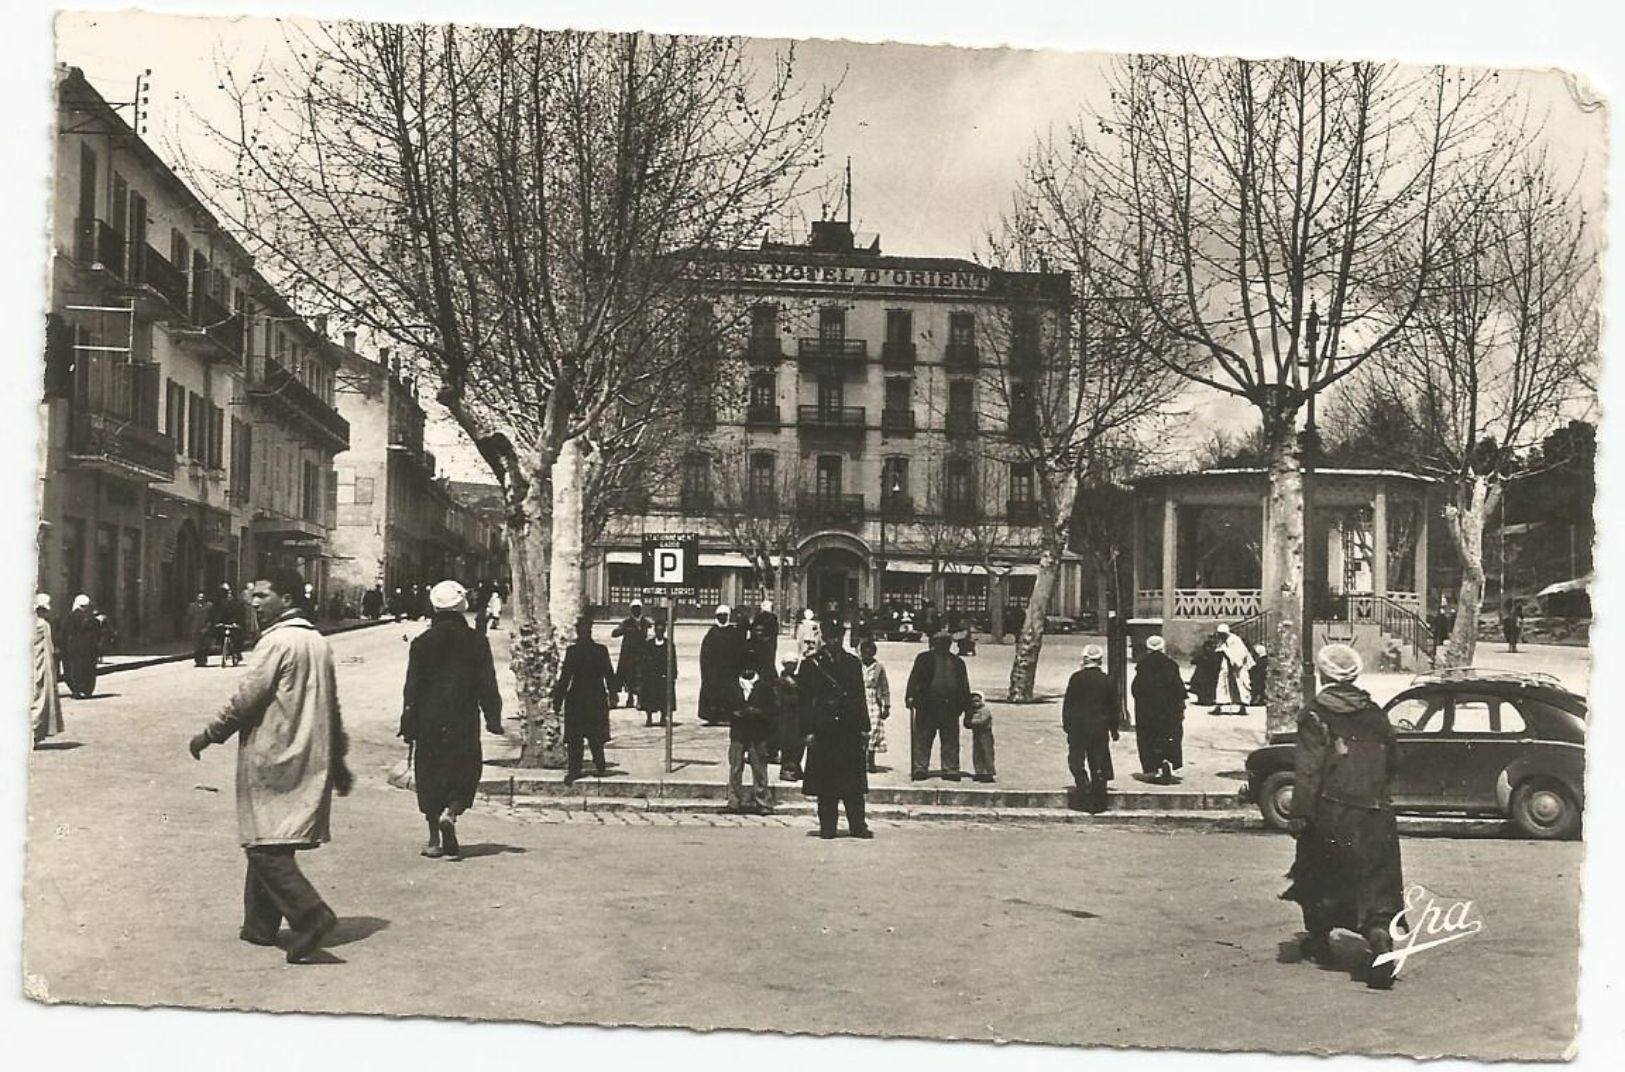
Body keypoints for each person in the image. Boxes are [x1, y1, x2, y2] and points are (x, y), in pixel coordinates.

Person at [188, 568, 353, 964]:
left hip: (274, 752)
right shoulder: (317, 641)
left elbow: (247, 699)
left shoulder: (276, 641)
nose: (254, 602)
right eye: (254, 595)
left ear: (289, 600)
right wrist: (339, 758)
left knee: (263, 844)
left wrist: (209, 734)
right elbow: (333, 705)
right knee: (272, 837)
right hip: (308, 753)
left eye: (263, 595)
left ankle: (312, 916)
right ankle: (259, 926)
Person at [1282, 643, 1405, 990]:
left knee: (1315, 876)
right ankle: (1379, 936)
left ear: (1323, 675)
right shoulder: (1375, 713)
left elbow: (1308, 771)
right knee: (1377, 882)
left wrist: (1300, 814)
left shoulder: (1315, 714)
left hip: (1332, 812)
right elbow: (1395, 759)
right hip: (1377, 813)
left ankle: (1320, 942)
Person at [400, 580, 504, 860]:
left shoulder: (422, 643)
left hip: (428, 720)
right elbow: (487, 684)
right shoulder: (476, 642)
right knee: (465, 770)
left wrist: (407, 725)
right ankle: (452, 811)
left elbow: (412, 688)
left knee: (430, 774)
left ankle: (434, 840)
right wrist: (494, 718)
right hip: (463, 718)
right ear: (462, 606)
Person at [798, 621, 873, 839]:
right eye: (830, 637)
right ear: (823, 637)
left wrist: (864, 728)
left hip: (848, 729)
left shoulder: (852, 663)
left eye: (837, 636)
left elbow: (860, 697)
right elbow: (804, 702)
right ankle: (827, 826)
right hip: (823, 730)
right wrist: (807, 731)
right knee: (826, 783)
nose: (834, 641)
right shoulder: (811, 664)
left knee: (853, 784)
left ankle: (858, 825)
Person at [554, 616, 616, 784]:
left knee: (594, 737)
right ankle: (577, 769)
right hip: (585, 698)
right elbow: (566, 677)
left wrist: (614, 693)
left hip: (586, 697)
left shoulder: (597, 651)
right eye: (582, 630)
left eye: (585, 630)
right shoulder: (576, 651)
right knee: (578, 738)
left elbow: (608, 674)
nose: (583, 633)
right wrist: (558, 698)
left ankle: (597, 766)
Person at [904, 632, 971, 781]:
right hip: (927, 706)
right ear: (934, 643)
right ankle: (920, 768)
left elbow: (964, 686)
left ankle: (950, 769)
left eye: (946, 642)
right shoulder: (924, 659)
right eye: (940, 642)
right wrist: (909, 696)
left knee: (950, 739)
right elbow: (914, 678)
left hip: (950, 707)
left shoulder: (958, 662)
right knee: (923, 738)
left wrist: (967, 708)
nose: (943, 645)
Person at [1063, 645, 1120, 813]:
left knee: (1076, 758)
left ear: (1085, 659)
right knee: (1099, 761)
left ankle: (1082, 783)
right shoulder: (1107, 680)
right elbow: (1113, 707)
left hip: (1078, 726)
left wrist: (1067, 725)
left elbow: (1068, 704)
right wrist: (1114, 728)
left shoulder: (1076, 678)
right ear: (1100, 660)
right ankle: (1098, 802)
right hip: (1099, 726)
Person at [1131, 635, 1186, 784]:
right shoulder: (1171, 665)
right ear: (1163, 647)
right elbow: (1178, 688)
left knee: (1149, 737)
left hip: (1148, 711)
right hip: (1169, 709)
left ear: (1148, 649)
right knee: (1170, 735)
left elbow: (1136, 689)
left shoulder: (1142, 666)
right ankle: (1168, 759)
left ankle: (1153, 766)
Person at [723, 664, 777, 814]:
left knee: (759, 768)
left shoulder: (764, 687)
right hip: (738, 732)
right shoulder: (733, 685)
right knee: (735, 768)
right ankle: (734, 801)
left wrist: (758, 712)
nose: (747, 670)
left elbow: (773, 710)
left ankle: (763, 802)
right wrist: (734, 713)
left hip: (758, 733)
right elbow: (724, 707)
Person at [698, 604, 745, 725]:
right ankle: (713, 717)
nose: (722, 618)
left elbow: (739, 650)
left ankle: (729, 716)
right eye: (720, 616)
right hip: (715, 670)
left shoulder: (733, 632)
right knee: (713, 693)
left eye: (725, 616)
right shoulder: (712, 633)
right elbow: (705, 653)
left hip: (730, 670)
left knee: (730, 693)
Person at [31, 594, 64, 747]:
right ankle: (35, 732)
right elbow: (50, 647)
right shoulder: (44, 625)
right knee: (40, 697)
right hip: (41, 664)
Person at [60, 594, 103, 699]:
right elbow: (94, 632)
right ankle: (85, 690)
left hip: (73, 649)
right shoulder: (91, 619)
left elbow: (63, 633)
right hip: (87, 650)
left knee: (74, 669)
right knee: (87, 669)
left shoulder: (69, 617)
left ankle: (77, 690)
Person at [858, 639, 891, 774]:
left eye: (869, 653)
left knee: (873, 730)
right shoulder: (856, 665)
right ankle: (859, 761)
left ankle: (870, 760)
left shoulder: (879, 667)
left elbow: (884, 687)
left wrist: (886, 706)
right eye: (864, 653)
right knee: (860, 730)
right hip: (860, 699)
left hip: (873, 700)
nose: (866, 656)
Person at [611, 601, 651, 708]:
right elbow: (614, 633)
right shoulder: (626, 622)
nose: (636, 610)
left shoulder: (645, 623)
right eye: (634, 608)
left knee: (639, 676)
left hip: (641, 653)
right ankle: (628, 697)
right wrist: (625, 630)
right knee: (627, 675)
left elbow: (649, 635)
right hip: (628, 654)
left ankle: (639, 699)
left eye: (638, 608)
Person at [638, 616, 675, 727]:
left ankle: (663, 717)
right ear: (654, 630)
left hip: (663, 675)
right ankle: (649, 717)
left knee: (664, 696)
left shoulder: (669, 644)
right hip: (651, 676)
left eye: (662, 629)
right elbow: (644, 660)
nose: (659, 632)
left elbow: (673, 660)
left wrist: (672, 674)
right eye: (657, 629)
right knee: (649, 696)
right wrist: (642, 674)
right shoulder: (648, 644)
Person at [776, 660, 805, 781]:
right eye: (789, 665)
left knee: (799, 743)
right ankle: (787, 770)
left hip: (797, 716)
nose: (792, 667)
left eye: (794, 665)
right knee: (788, 743)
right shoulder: (781, 681)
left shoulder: (797, 679)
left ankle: (796, 767)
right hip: (786, 717)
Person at [1214, 623, 1254, 711]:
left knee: (1241, 684)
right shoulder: (1223, 640)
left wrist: (1230, 655)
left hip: (1238, 667)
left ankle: (1243, 707)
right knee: (1222, 682)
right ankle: (1219, 705)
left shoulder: (1235, 640)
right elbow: (1220, 649)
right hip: (1227, 665)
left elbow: (1241, 654)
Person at [965, 691, 996, 783]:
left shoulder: (985, 710)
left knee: (987, 753)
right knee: (977, 754)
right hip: (976, 734)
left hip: (985, 734)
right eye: (973, 702)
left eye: (977, 701)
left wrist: (971, 722)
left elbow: (982, 721)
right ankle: (979, 772)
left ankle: (989, 773)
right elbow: (966, 722)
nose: (975, 703)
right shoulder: (971, 711)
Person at [215, 584, 247, 667]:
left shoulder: (238, 603)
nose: (229, 595)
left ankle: (237, 653)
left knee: (237, 638)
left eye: (230, 593)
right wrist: (218, 622)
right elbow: (220, 613)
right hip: (226, 623)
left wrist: (238, 623)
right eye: (227, 593)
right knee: (220, 634)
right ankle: (224, 651)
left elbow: (241, 614)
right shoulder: (223, 603)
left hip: (235, 623)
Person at [186, 590, 214, 668]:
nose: (201, 598)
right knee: (196, 646)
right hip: (195, 628)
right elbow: (189, 617)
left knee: (204, 646)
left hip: (205, 627)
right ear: (197, 597)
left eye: (202, 597)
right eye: (199, 597)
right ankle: (198, 661)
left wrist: (208, 626)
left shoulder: (209, 606)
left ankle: (203, 660)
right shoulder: (192, 606)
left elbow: (212, 618)